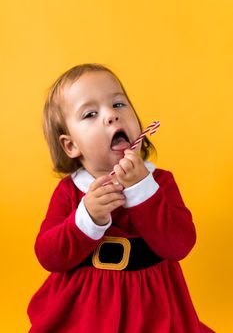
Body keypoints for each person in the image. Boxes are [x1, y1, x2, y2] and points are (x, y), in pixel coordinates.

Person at [27, 63, 214, 332]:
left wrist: (142, 190)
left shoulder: (159, 182)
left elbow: (180, 245)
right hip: (86, 312)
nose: (111, 116)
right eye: (90, 113)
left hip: (153, 309)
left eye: (118, 105)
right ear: (70, 145)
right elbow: (49, 256)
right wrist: (87, 218)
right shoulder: (70, 191)